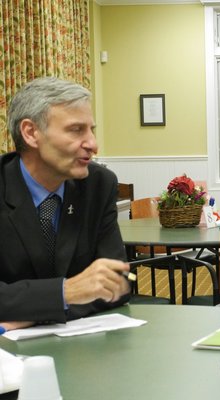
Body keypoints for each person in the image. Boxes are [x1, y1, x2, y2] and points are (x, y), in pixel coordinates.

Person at [0, 77, 131, 329]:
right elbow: (84, 290)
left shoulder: (99, 184)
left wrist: (31, 314)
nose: (93, 144)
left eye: (92, 130)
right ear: (31, 132)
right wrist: (64, 293)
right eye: (76, 130)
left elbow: (117, 284)